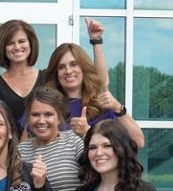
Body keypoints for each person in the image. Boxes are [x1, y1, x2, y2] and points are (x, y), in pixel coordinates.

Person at [41, 19, 144, 148]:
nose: (68, 71)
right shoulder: (45, 106)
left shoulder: (101, 104)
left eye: (74, 64)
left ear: (83, 68)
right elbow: (25, 149)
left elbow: (138, 142)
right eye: (61, 67)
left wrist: (118, 108)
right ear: (55, 73)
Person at [0, 20, 45, 131]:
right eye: (10, 43)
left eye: (22, 41)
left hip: (45, 148)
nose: (17, 47)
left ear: (31, 43)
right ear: (2, 47)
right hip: (8, 148)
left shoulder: (46, 78)